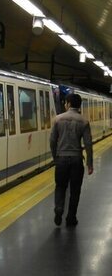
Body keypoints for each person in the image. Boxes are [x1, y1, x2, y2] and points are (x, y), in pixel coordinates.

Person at [50, 93, 93, 227]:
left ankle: (59, 208)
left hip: (61, 159)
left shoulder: (57, 119)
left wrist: (55, 157)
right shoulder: (84, 122)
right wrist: (90, 163)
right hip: (76, 160)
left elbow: (52, 140)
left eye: (65, 103)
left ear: (68, 104)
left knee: (60, 186)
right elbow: (88, 144)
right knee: (75, 189)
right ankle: (71, 217)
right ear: (79, 105)